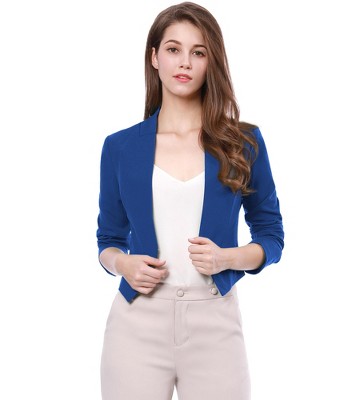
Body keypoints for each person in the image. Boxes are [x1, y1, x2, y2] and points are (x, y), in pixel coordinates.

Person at [96, 2, 284, 399]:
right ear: (154, 57)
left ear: (210, 61)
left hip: (215, 323)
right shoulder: (120, 147)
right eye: (173, 49)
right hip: (136, 324)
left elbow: (271, 236)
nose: (185, 62)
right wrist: (123, 263)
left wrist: (227, 258)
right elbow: (108, 240)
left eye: (198, 52)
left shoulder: (244, 143)